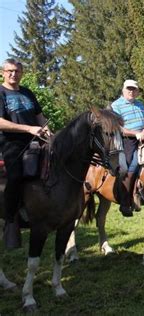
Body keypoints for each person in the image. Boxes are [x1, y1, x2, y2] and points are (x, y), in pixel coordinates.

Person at [0, 58, 51, 249]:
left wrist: (46, 130)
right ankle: (12, 218)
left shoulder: (27, 92)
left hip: (36, 140)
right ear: (3, 73)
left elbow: (39, 117)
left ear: (22, 73)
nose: (14, 74)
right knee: (15, 176)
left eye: (17, 71)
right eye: (10, 71)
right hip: (11, 142)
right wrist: (28, 129)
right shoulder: (1, 92)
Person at [111, 79, 144, 217]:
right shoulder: (116, 105)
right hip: (127, 140)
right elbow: (119, 128)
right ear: (123, 90)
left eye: (134, 89)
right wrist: (137, 134)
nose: (131, 91)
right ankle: (125, 202)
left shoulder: (140, 104)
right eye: (129, 88)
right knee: (133, 164)